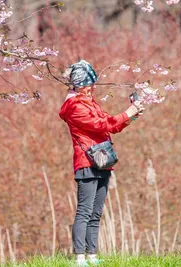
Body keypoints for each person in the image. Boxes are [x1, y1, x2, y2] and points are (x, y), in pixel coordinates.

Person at [59, 60, 144, 266]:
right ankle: (79, 257)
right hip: (86, 162)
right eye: (89, 84)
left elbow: (110, 126)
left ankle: (92, 256)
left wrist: (130, 117)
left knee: (96, 213)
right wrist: (127, 113)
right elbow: (101, 124)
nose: (92, 88)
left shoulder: (89, 103)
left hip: (102, 160)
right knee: (84, 211)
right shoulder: (73, 107)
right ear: (79, 85)